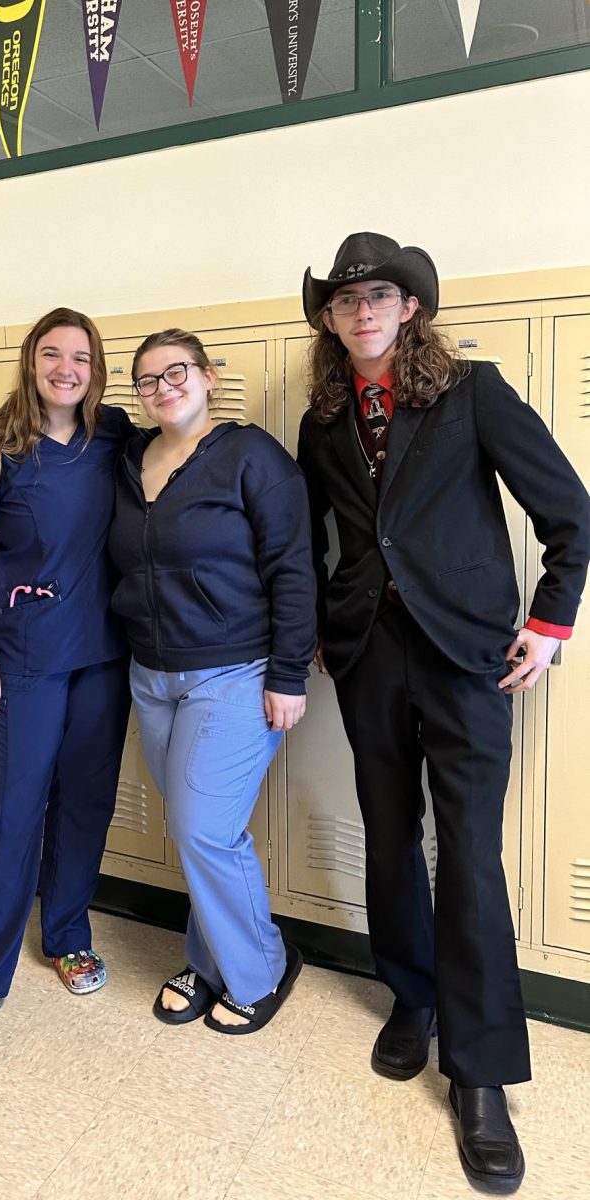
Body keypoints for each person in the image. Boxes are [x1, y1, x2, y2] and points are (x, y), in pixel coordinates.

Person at [297, 232, 590, 1194]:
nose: (362, 312)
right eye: (344, 302)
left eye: (378, 295)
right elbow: (314, 540)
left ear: (408, 306)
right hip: (368, 656)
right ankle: (410, 999)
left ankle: (480, 1075)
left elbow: (568, 512)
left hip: (470, 657)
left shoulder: (472, 392)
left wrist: (549, 622)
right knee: (388, 836)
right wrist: (311, 633)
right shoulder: (322, 418)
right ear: (331, 322)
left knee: (466, 854)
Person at [0, 307, 134, 1048]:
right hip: (19, 659)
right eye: (51, 354)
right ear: (29, 362)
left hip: (102, 655)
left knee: (85, 803)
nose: (65, 369)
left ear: (96, 368)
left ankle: (65, 933)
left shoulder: (113, 436)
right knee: (12, 811)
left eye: (80, 357)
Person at [107, 329, 314, 1033]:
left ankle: (258, 966)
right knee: (203, 832)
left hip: (233, 672)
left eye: (176, 373)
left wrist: (288, 674)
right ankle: (213, 958)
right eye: (146, 380)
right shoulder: (130, 457)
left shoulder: (251, 456)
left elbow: (293, 567)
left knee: (201, 828)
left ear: (206, 375)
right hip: (150, 674)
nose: (163, 388)